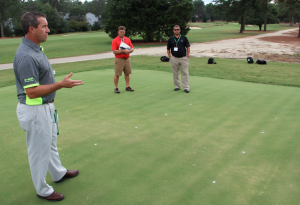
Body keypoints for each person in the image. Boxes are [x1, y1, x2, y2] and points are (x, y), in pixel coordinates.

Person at [13, 12, 84, 202]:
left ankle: (58, 173)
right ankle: (42, 189)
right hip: (35, 110)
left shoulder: (36, 48)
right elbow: (32, 92)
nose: (48, 30)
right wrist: (60, 84)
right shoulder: (26, 56)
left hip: (46, 108)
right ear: (31, 29)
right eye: (44, 26)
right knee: (39, 151)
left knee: (50, 143)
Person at [167, 25, 191, 93]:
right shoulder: (170, 39)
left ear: (180, 30)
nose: (176, 30)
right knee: (175, 73)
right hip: (174, 58)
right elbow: (168, 48)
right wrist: (169, 56)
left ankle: (186, 87)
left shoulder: (184, 38)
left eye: (178, 29)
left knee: (185, 73)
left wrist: (188, 55)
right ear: (173, 30)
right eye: (175, 29)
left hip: (183, 58)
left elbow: (188, 47)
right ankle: (177, 86)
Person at [111, 26, 135, 93]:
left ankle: (127, 86)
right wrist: (123, 51)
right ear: (118, 32)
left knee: (127, 73)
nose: (122, 33)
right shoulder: (115, 40)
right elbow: (114, 51)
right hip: (119, 59)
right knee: (117, 74)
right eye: (121, 32)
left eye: (123, 32)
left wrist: (129, 51)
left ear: (125, 32)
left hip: (127, 58)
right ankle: (116, 88)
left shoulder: (127, 39)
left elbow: (132, 48)